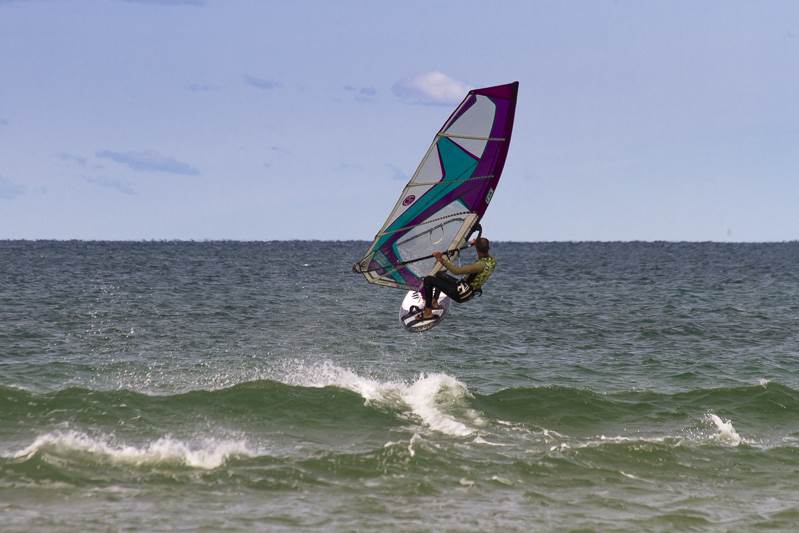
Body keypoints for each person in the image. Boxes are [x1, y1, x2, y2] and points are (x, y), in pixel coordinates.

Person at [420, 236, 496, 319]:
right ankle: (434, 303)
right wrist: (477, 244)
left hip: (461, 294)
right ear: (488, 248)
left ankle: (427, 313)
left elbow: (457, 271)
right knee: (439, 274)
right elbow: (482, 250)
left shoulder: (480, 266)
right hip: (464, 288)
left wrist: (440, 259)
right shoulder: (492, 261)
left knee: (428, 279)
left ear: (477, 249)